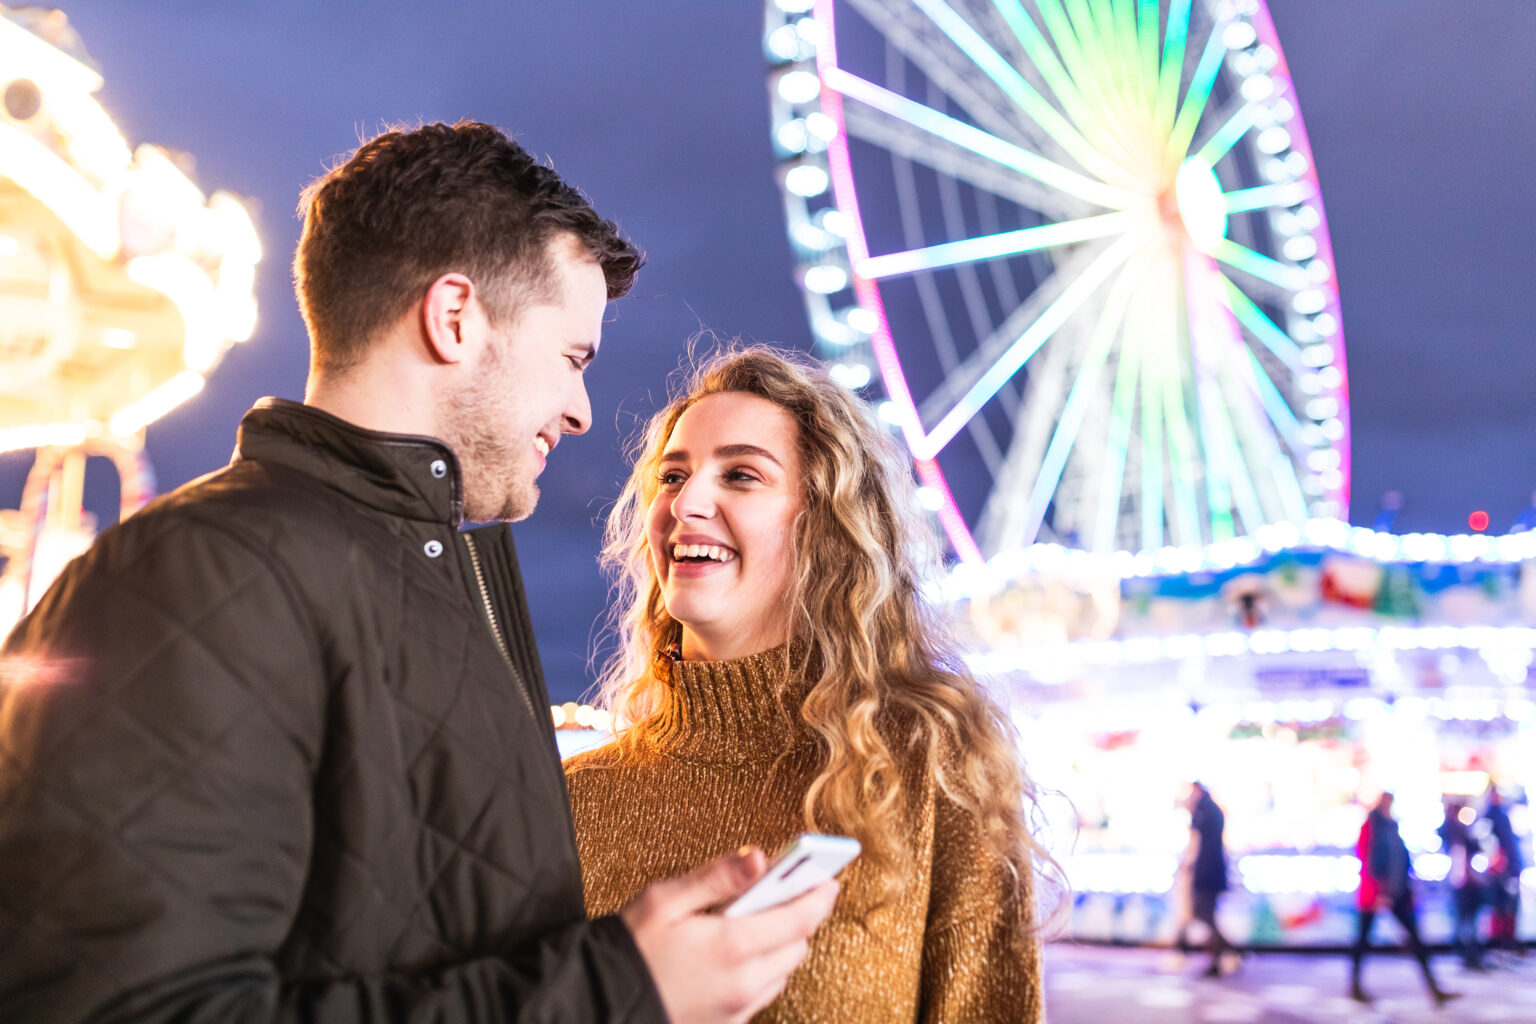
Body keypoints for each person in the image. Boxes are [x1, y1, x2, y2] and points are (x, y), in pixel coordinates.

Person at [0, 122, 834, 1024]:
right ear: (453, 318)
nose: (584, 410)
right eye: (572, 359)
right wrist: (619, 990)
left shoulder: (438, 589)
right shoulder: (194, 576)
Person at [564, 346, 1056, 1021]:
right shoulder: (571, 804)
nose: (686, 503)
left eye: (740, 475)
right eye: (672, 476)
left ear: (825, 529)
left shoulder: (932, 778)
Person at [1350, 792, 1456, 1006]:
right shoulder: (1373, 826)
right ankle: (1355, 986)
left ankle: (1434, 988)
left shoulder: (1390, 825)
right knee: (1363, 941)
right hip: (1377, 895)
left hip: (1395, 893)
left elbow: (1398, 859)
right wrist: (1381, 892)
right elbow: (1372, 860)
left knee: (1414, 938)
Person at [1174, 782, 1236, 977]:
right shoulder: (1213, 809)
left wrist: (1186, 866)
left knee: (1204, 915)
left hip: (1204, 873)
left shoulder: (1202, 810)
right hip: (1214, 871)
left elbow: (1195, 843)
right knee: (1204, 916)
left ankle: (1229, 951)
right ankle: (1223, 955)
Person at [1437, 799, 1488, 970]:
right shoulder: (1453, 831)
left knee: (1467, 921)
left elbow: (1477, 848)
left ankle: (1469, 954)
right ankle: (1468, 955)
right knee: (1466, 921)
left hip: (1465, 883)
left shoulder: (1462, 831)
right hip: (1462, 882)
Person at [1483, 787, 1526, 955]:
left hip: (1508, 870)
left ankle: (1507, 945)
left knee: (1508, 909)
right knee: (1500, 909)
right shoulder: (1492, 817)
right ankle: (1500, 947)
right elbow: (1491, 846)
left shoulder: (1502, 815)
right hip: (1500, 872)